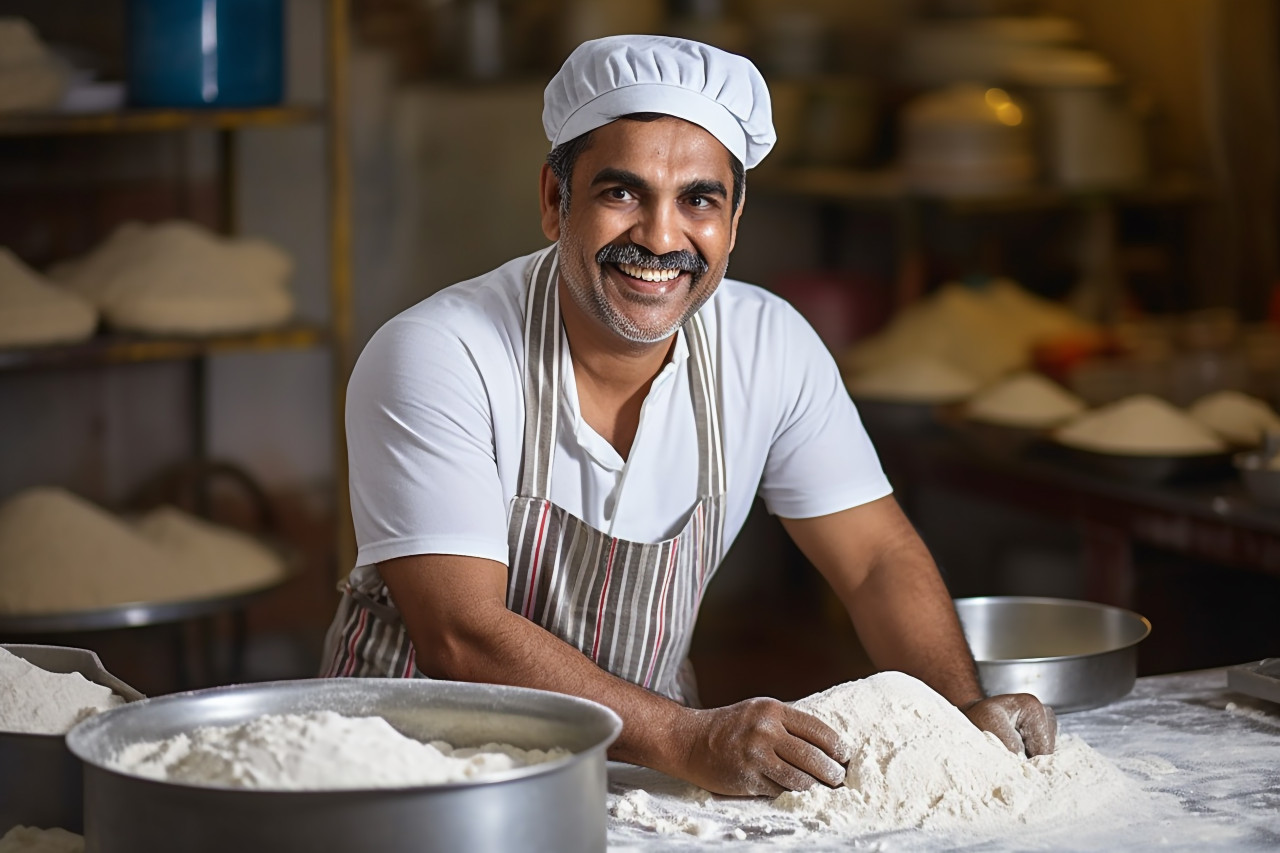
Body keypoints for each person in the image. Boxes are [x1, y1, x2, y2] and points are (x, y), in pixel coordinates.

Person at [320, 34, 1056, 797]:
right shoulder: (441, 353)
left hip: (640, 779)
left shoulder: (767, 348)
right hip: (411, 772)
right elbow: (459, 633)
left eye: (698, 200)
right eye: (622, 192)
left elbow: (875, 558)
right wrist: (687, 732)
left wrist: (960, 709)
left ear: (734, 221)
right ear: (552, 201)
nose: (661, 237)